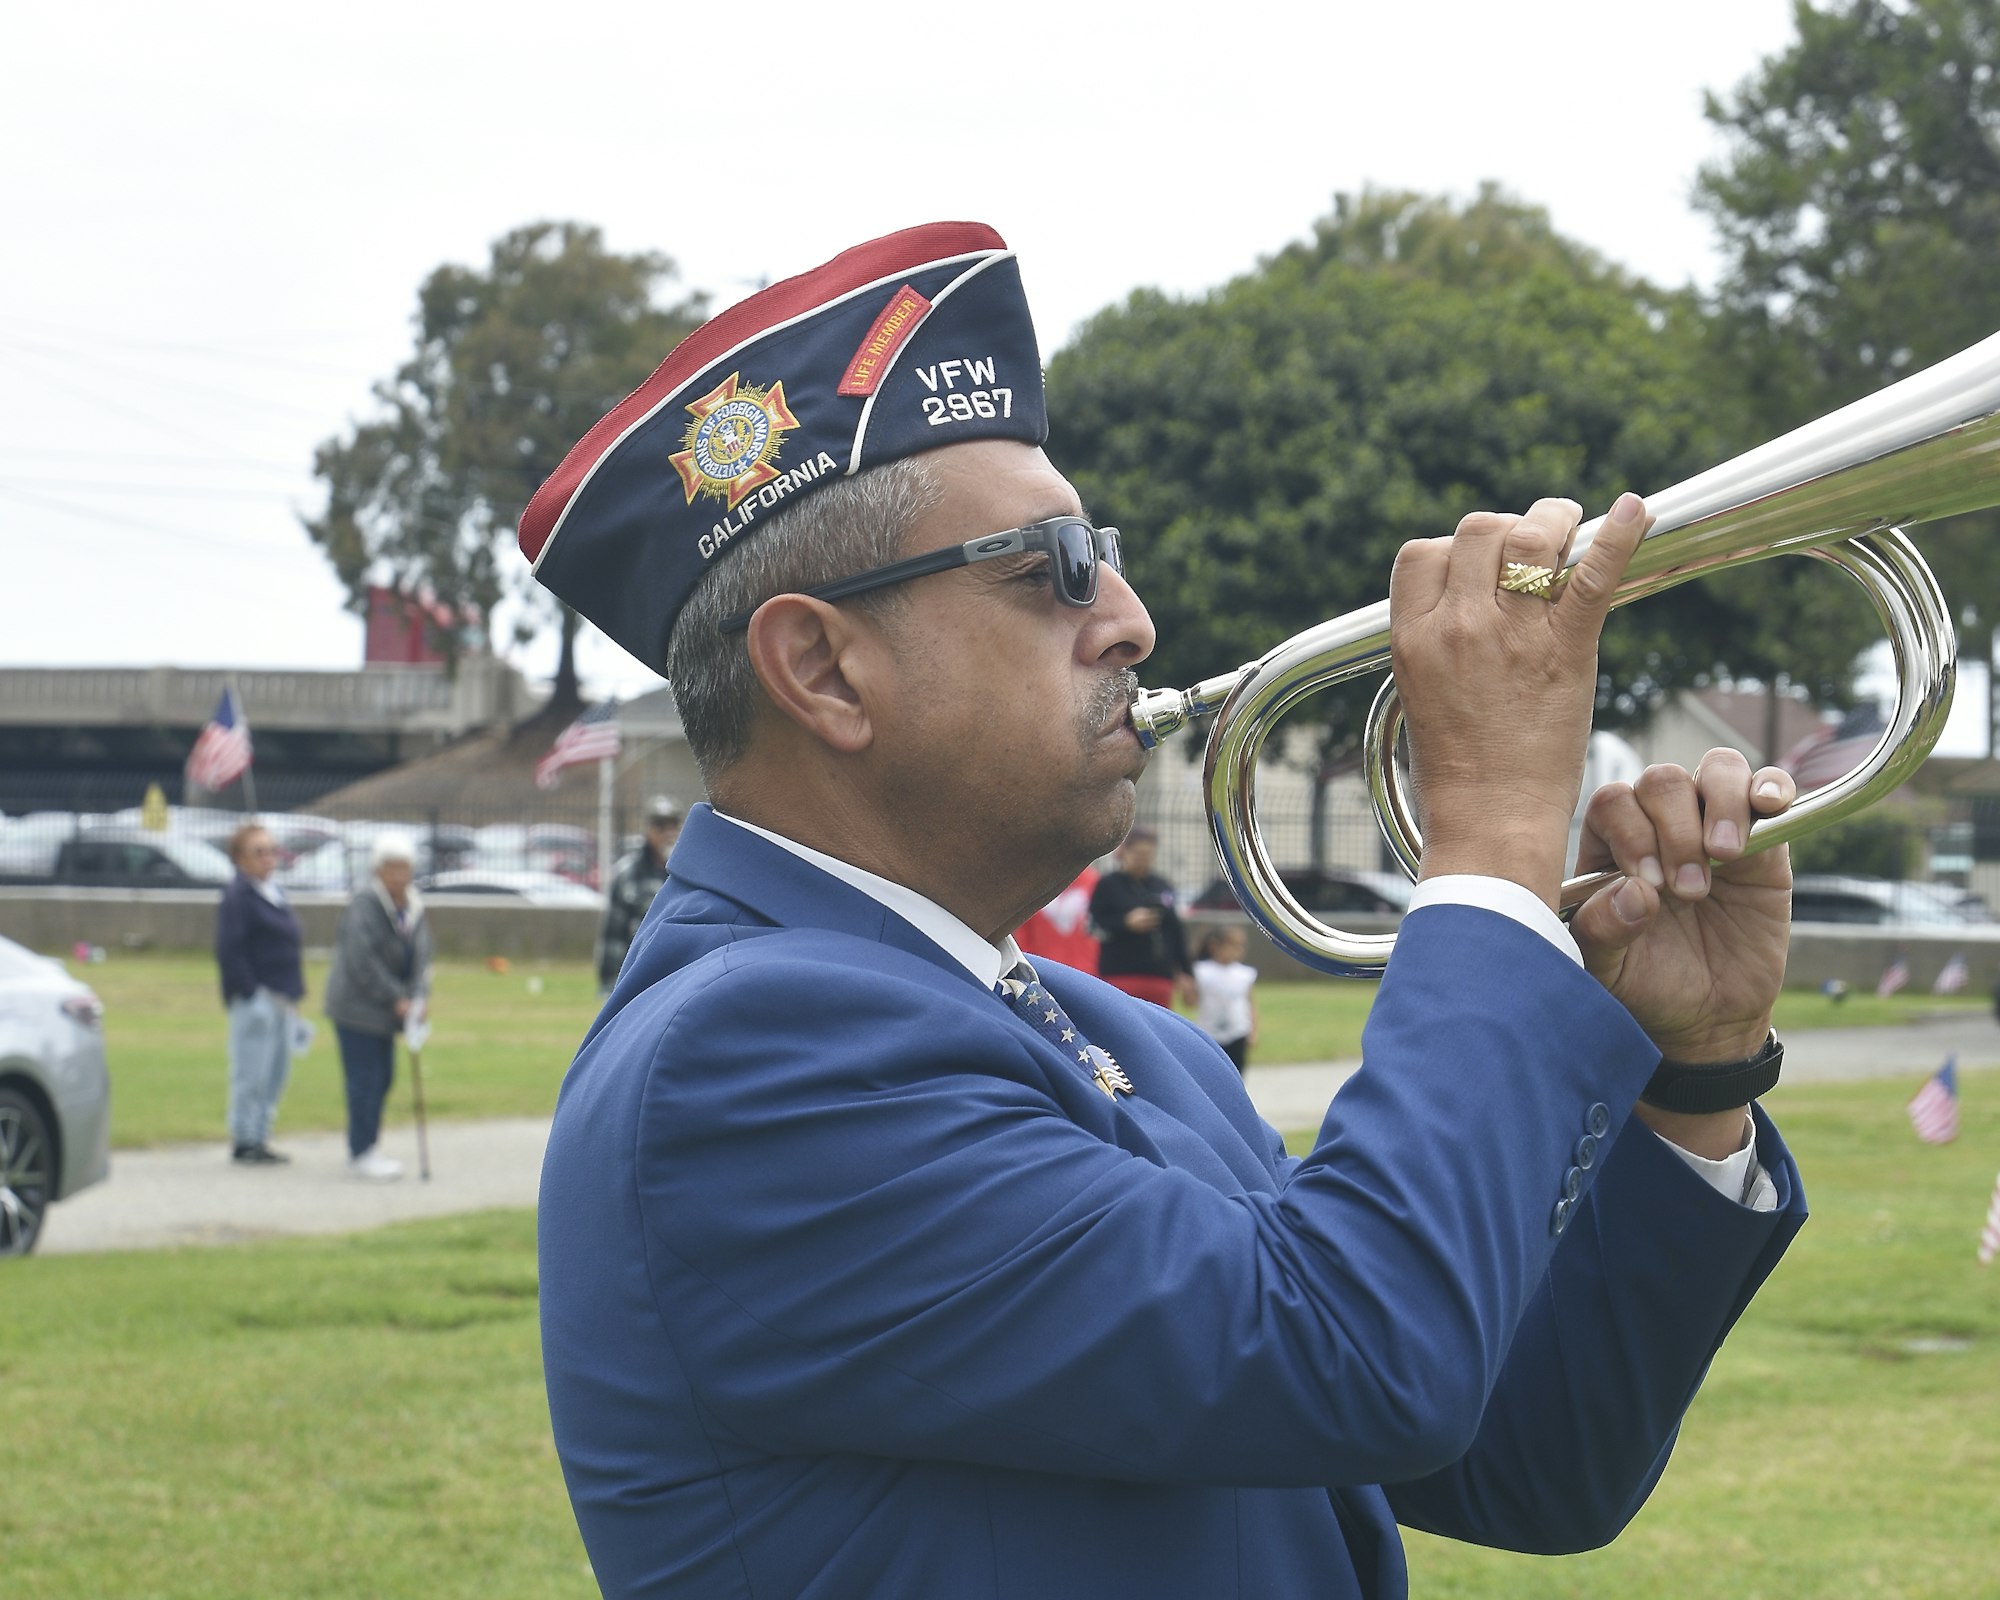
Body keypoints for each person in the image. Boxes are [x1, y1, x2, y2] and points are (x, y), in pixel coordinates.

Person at [524, 222, 1806, 1599]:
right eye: (1053, 567)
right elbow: (1369, 1353)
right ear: (823, 671)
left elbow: (1527, 1456)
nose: (1131, 618)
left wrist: (1694, 1075)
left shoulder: (1118, 1037)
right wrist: (1490, 840)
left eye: (1106, 554)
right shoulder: (750, 1064)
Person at [323, 831, 432, 1182]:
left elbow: (422, 955)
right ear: (379, 871)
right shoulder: (365, 905)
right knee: (364, 1080)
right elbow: (361, 960)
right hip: (356, 1010)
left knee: (383, 1078)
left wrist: (418, 996)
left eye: (406, 869)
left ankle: (367, 1145)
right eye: (393, 869)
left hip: (387, 1013)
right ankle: (361, 1150)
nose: (401, 877)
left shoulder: (413, 906)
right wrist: (396, 997)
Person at [213, 821, 304, 1165]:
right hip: (258, 998)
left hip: (283, 997)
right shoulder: (239, 896)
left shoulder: (274, 892)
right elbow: (230, 949)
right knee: (251, 1071)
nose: (268, 858)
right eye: (259, 852)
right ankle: (245, 1137)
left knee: (276, 1072)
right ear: (239, 858)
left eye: (272, 851)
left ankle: (261, 1134)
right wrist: (250, 992)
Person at [1090, 825, 1194, 1007]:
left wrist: (1186, 972)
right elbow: (1093, 925)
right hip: (1120, 973)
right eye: (1138, 854)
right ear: (1125, 852)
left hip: (1159, 976)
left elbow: (1175, 930)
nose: (1143, 860)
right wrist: (1125, 922)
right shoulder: (1108, 885)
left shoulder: (1161, 885)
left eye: (1148, 855)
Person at [596, 795, 682, 994]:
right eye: (660, 826)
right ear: (648, 829)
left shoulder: (686, 873)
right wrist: (610, 982)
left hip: (676, 974)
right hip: (636, 974)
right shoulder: (629, 873)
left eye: (673, 825)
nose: (668, 833)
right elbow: (614, 932)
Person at [1192, 923, 1258, 1073]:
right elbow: (1191, 1001)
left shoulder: (1244, 974)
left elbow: (1249, 1002)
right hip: (1210, 1033)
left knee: (1237, 1072)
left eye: (1241, 946)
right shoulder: (1202, 971)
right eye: (1233, 945)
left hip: (1238, 1032)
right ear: (1215, 946)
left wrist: (1253, 1030)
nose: (1238, 950)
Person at [1013, 863, 1100, 974]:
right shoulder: (1036, 883)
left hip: (1085, 973)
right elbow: (1024, 931)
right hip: (1041, 971)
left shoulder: (1094, 883)